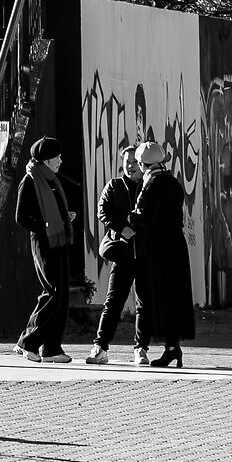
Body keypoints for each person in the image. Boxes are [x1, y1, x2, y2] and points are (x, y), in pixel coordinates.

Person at [128, 138, 195, 369]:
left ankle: (169, 348)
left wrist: (130, 217)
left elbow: (146, 217)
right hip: (175, 246)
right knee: (173, 297)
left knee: (157, 297)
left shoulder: (152, 185)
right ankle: (172, 347)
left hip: (158, 249)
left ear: (143, 164)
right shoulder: (172, 182)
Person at [14, 134, 73, 364]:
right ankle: (27, 342)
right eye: (57, 157)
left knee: (62, 294)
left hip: (59, 240)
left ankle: (51, 347)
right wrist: (46, 225)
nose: (61, 160)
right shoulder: (31, 180)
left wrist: (63, 218)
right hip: (43, 242)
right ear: (47, 159)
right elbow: (21, 216)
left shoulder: (51, 179)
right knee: (53, 291)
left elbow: (53, 211)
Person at [83, 143, 142, 366]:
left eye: (135, 162)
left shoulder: (149, 186)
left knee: (144, 303)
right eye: (127, 162)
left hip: (144, 253)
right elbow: (103, 211)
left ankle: (141, 348)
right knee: (113, 301)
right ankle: (100, 347)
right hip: (123, 253)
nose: (130, 166)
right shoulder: (115, 186)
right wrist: (121, 228)